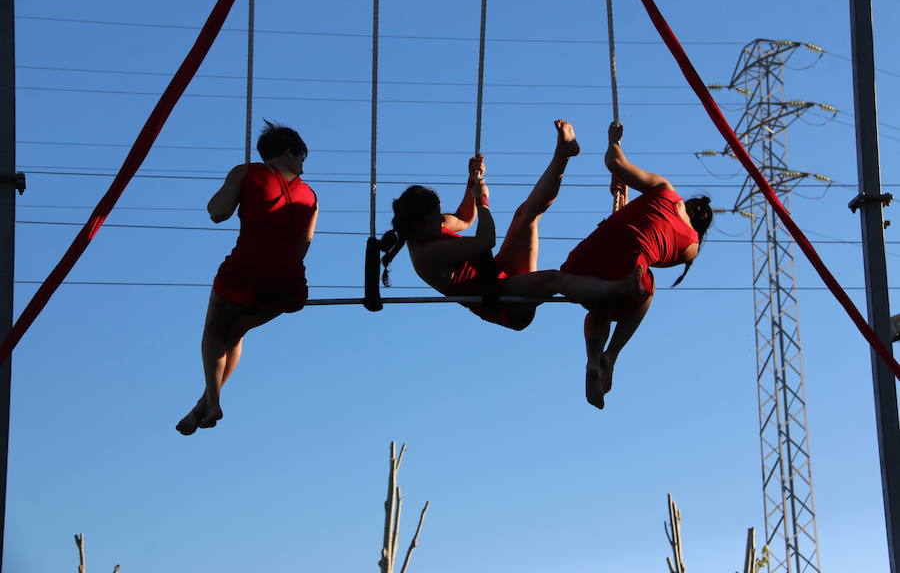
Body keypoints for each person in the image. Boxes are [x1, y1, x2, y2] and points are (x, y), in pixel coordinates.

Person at [378, 119, 645, 331]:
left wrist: (472, 181)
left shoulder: (433, 226)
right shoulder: (427, 254)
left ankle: (564, 153)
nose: (441, 219)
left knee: (526, 214)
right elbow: (485, 241)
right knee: (553, 279)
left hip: (501, 272)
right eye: (435, 217)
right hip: (504, 302)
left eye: (439, 214)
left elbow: (465, 218)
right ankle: (618, 288)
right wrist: (483, 201)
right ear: (417, 225)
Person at [176, 121, 318, 434]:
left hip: (247, 267)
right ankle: (202, 406)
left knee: (215, 328)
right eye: (301, 159)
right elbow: (304, 245)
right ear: (288, 153)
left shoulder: (247, 172)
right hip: (290, 281)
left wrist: (234, 187)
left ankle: (212, 402)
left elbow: (217, 212)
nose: (303, 169)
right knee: (235, 335)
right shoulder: (311, 196)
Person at [560, 122, 713, 410]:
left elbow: (614, 162)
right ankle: (610, 356)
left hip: (585, 258)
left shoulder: (666, 190)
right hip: (625, 269)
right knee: (644, 286)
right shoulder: (690, 247)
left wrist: (613, 140)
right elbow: (645, 246)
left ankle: (594, 358)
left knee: (602, 299)